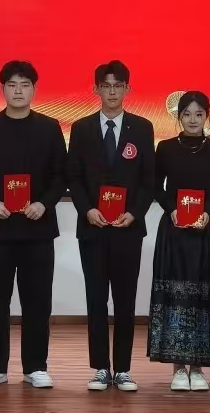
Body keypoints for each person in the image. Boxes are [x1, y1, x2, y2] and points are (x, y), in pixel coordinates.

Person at [0, 61, 67, 390]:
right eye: (12, 84)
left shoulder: (49, 128)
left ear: (34, 89)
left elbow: (60, 176)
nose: (18, 90)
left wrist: (43, 204)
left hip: (37, 229)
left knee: (38, 303)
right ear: (2, 89)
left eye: (25, 84)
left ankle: (36, 367)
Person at [66, 60, 155, 393]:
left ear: (128, 89)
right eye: (106, 86)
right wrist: (87, 209)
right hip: (92, 227)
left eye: (119, 86)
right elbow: (73, 177)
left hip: (127, 228)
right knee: (96, 300)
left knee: (125, 301)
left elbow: (149, 180)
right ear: (96, 89)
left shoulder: (142, 128)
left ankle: (124, 369)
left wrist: (134, 213)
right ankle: (101, 368)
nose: (113, 91)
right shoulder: (82, 128)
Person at [147, 91, 210, 391]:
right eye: (187, 114)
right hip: (174, 230)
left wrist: (208, 211)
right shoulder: (166, 148)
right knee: (175, 294)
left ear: (206, 116)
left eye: (199, 114)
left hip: (203, 230)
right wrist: (171, 209)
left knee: (202, 296)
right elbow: (156, 186)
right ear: (178, 117)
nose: (193, 120)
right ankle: (178, 368)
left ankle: (198, 368)